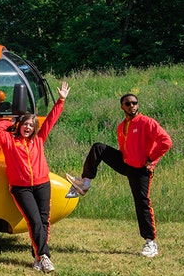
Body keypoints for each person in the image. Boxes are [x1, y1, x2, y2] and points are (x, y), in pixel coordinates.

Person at [65, 93, 172, 258]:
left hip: (141, 169)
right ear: (122, 107)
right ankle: (85, 182)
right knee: (98, 148)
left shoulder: (147, 122)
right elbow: (124, 149)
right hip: (126, 164)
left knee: (142, 202)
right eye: (128, 103)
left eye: (134, 103)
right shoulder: (122, 126)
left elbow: (166, 141)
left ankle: (150, 242)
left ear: (138, 105)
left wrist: (150, 159)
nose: (132, 106)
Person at [0, 82, 69, 273]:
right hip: (21, 187)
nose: (27, 128)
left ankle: (37, 257)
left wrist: (61, 100)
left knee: (43, 221)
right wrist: (14, 120)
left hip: (42, 184)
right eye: (25, 124)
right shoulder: (10, 141)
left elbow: (51, 120)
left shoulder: (38, 140)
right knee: (34, 220)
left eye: (31, 125)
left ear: (35, 129)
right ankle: (45, 256)